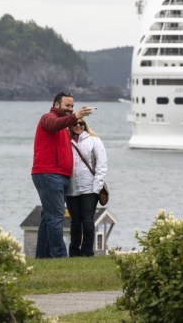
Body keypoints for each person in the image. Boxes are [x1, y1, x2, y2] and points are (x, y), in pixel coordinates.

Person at [32, 92, 93, 258]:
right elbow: (53, 124)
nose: (71, 109)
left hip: (57, 176)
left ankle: (43, 257)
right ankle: (59, 256)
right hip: (49, 174)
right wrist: (76, 116)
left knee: (48, 216)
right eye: (67, 106)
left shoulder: (64, 127)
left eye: (72, 106)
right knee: (56, 217)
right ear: (56, 105)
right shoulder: (47, 118)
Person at [66, 118, 108, 257]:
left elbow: (102, 164)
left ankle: (87, 253)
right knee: (75, 221)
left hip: (90, 188)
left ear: (85, 125)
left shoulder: (94, 140)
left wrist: (97, 186)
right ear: (70, 126)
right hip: (71, 188)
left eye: (81, 123)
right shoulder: (66, 141)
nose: (78, 125)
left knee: (88, 220)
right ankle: (74, 252)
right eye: (75, 123)